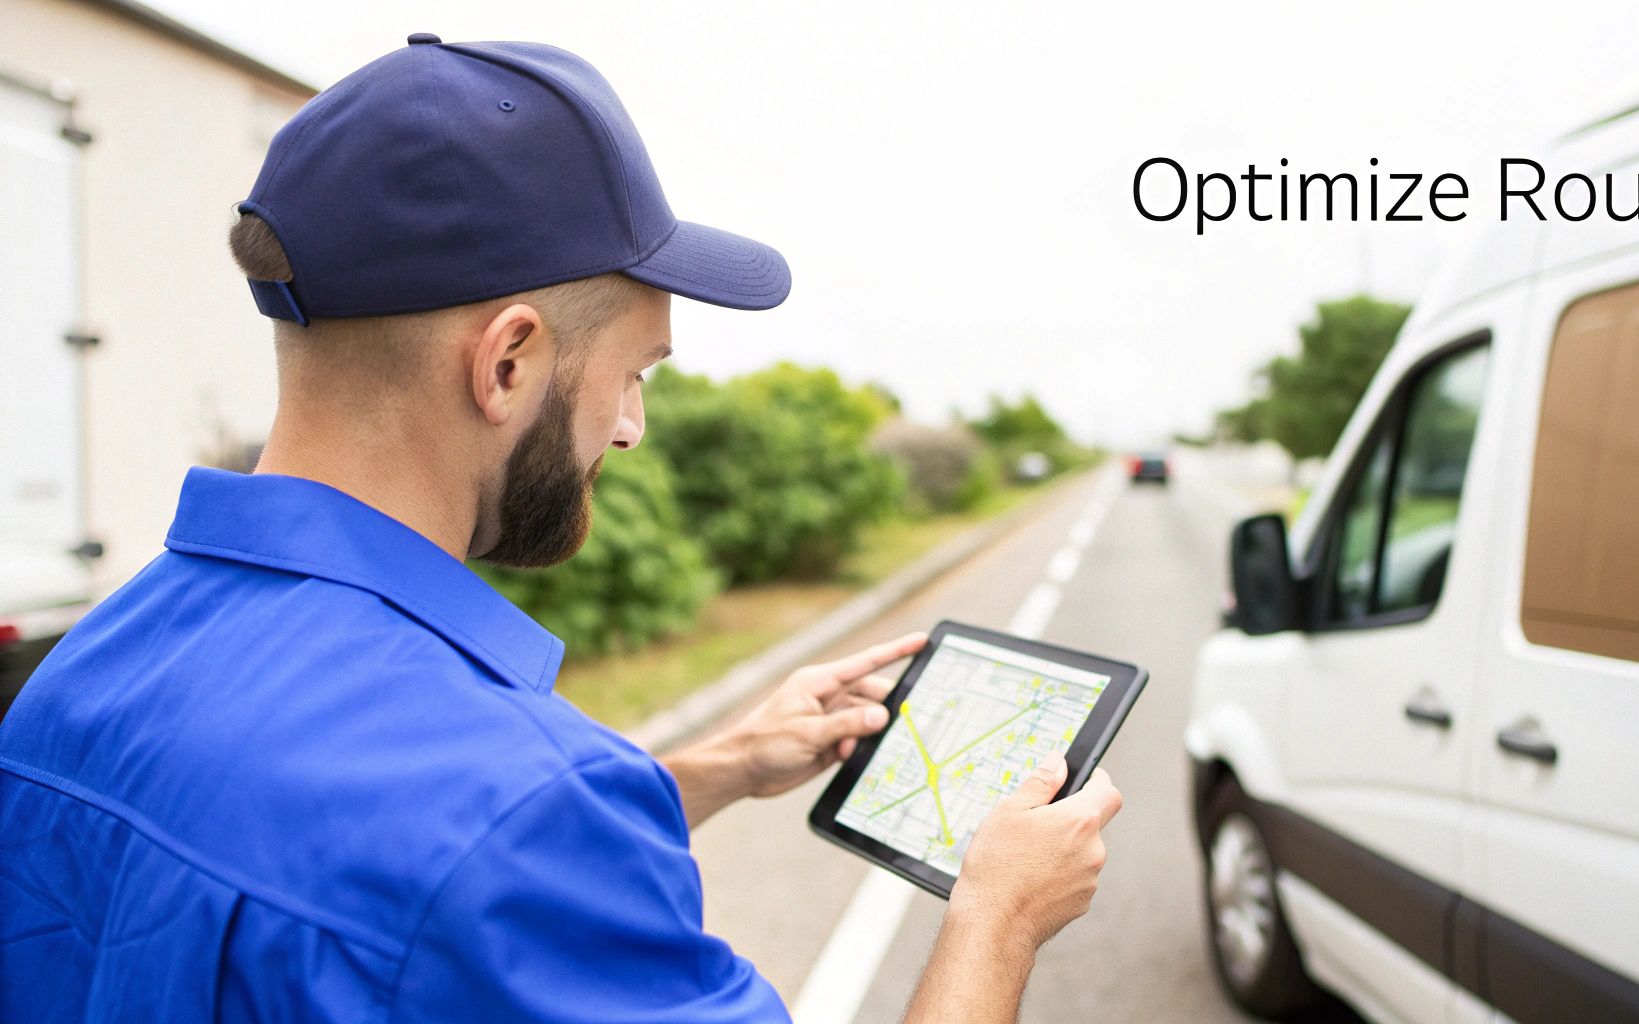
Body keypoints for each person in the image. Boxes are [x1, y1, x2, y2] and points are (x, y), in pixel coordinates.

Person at [0, 35, 1121, 1022]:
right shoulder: (517, 812)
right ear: (505, 361)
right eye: (630, 373)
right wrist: (996, 916)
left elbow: (374, 890)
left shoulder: (76, 682)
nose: (627, 428)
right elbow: (460, 863)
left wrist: (708, 769)